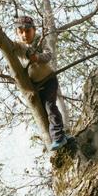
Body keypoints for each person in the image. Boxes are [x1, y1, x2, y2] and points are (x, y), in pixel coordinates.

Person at [13, 15, 72, 151]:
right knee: (43, 111)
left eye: (28, 31)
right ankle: (62, 135)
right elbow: (9, 46)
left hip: (48, 80)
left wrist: (37, 57)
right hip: (35, 85)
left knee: (50, 106)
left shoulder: (40, 40)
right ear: (17, 33)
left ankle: (58, 137)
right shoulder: (18, 47)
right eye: (21, 32)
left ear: (34, 30)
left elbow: (48, 55)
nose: (24, 35)